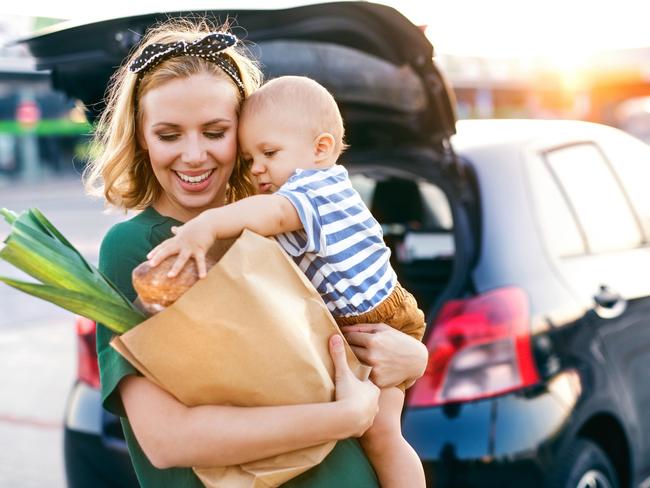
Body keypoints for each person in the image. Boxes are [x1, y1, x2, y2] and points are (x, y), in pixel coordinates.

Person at [86, 19, 428, 488]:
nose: (193, 155)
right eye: (169, 135)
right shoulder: (141, 250)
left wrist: (413, 358)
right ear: (142, 140)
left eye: (215, 131)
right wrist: (345, 417)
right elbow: (167, 441)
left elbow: (351, 325)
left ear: (244, 134)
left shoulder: (272, 228)